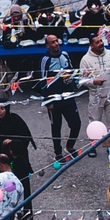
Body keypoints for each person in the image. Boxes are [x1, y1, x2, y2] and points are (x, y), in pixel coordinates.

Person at [79, 33, 110, 155]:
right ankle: (92, 147)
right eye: (97, 42)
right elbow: (82, 80)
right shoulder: (85, 60)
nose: (101, 44)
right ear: (91, 45)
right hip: (96, 96)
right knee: (94, 122)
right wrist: (93, 82)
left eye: (101, 41)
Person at [0, 99, 35, 197]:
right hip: (1, 160)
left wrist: (12, 142)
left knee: (21, 185)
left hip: (16, 160)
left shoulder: (15, 119)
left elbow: (25, 138)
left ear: (7, 109)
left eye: (2, 108)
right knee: (3, 187)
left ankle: (25, 206)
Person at [40, 33, 81, 161]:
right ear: (47, 46)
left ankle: (70, 146)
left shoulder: (65, 55)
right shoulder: (45, 60)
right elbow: (42, 81)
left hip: (68, 96)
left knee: (76, 124)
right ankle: (58, 153)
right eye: (52, 42)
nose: (56, 44)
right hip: (54, 99)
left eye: (56, 41)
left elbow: (72, 71)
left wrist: (71, 77)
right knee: (56, 127)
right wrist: (48, 100)